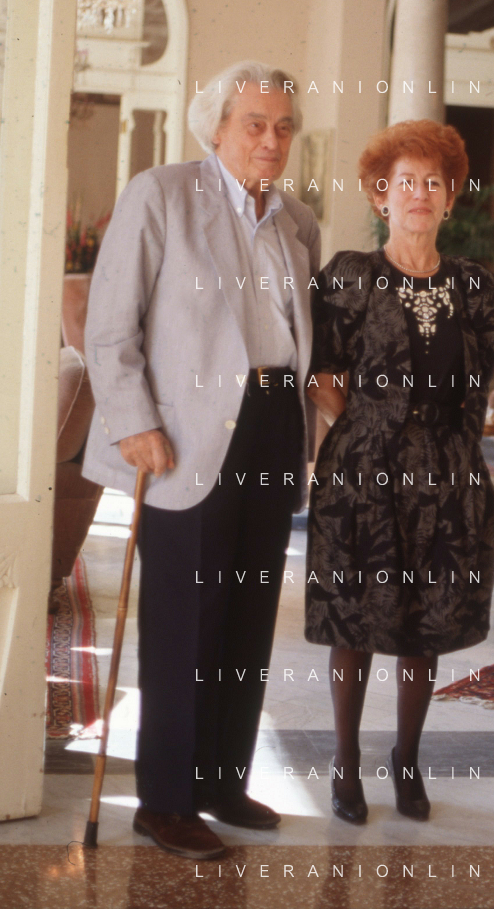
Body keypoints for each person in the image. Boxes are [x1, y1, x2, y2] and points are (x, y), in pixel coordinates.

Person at [82, 61, 320, 861]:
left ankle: (221, 780)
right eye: (254, 123)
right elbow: (109, 326)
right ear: (216, 128)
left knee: (248, 614)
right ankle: (166, 800)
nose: (271, 139)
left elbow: (300, 331)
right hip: (185, 434)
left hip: (273, 422)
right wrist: (133, 422)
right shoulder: (161, 195)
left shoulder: (298, 222)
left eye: (283, 126)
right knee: (185, 621)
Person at [305, 120, 494, 824]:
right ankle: (344, 763)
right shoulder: (351, 276)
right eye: (405, 182)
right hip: (363, 475)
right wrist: (365, 427)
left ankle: (407, 758)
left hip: (447, 473)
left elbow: (480, 385)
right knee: (356, 621)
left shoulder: (475, 287)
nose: (419, 193)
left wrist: (456, 458)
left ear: (450, 198)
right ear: (381, 196)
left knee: (426, 622)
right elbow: (322, 372)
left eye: (432, 183)